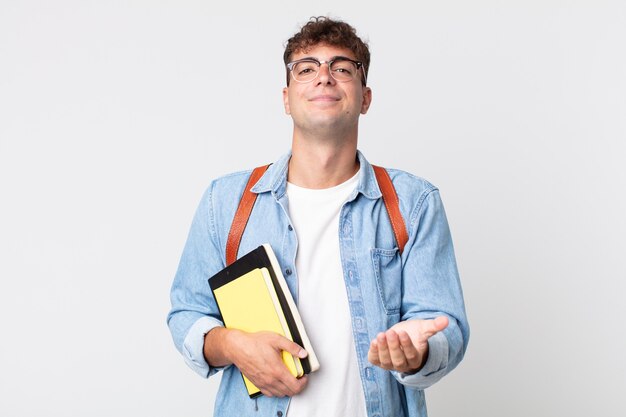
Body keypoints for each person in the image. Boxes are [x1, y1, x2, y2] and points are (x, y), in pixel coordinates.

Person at [167, 16, 469, 417]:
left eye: (342, 68)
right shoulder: (225, 202)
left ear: (365, 97)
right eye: (306, 69)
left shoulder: (413, 203)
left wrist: (417, 351)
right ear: (287, 98)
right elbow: (186, 314)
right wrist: (233, 345)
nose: (324, 77)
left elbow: (443, 326)